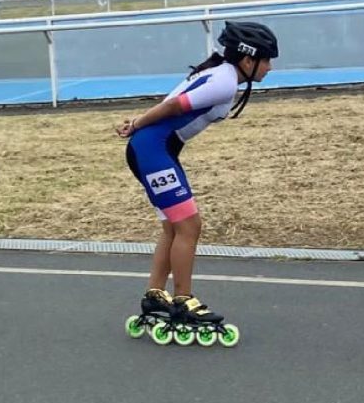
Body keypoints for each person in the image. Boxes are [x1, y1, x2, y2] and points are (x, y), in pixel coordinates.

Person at [118, 22, 278, 348]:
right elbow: (174, 106)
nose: (270, 67)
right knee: (189, 226)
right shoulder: (225, 81)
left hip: (156, 148)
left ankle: (155, 294)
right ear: (248, 60)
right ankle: (183, 301)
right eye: (266, 60)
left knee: (173, 227)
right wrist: (135, 123)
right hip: (152, 149)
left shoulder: (221, 73)